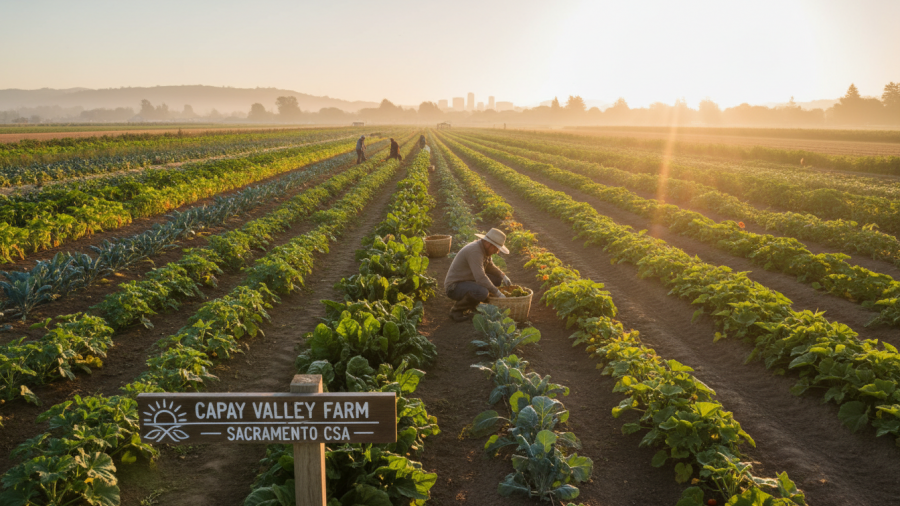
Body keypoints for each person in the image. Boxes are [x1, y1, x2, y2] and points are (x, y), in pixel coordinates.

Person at [444, 228, 512, 322]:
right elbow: (480, 277)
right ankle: (456, 311)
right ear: (489, 244)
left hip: (468, 280)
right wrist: (497, 292)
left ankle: (473, 304)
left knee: (497, 279)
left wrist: (502, 275)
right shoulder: (475, 251)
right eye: (496, 249)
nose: (497, 252)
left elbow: (490, 266)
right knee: (482, 292)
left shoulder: (484, 249)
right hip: (454, 287)